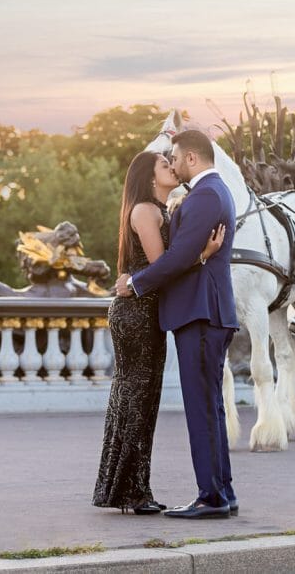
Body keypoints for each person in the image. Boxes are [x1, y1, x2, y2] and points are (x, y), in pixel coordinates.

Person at [115, 129, 239, 520]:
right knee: (210, 406)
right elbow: (187, 254)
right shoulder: (213, 192)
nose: (172, 163)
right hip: (205, 312)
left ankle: (212, 497)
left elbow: (179, 256)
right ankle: (222, 492)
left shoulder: (206, 195)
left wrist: (134, 283)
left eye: (174, 157)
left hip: (200, 313)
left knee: (202, 408)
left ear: (191, 158)